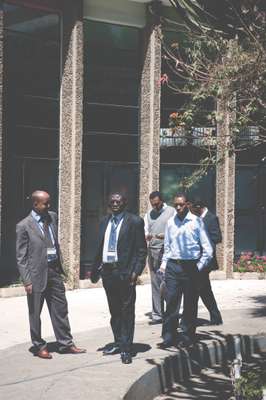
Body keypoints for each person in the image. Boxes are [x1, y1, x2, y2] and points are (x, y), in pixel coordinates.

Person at [16, 191, 86, 359]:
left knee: (60, 309)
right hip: (35, 276)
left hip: (54, 271)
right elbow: (21, 257)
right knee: (35, 313)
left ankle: (65, 343)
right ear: (35, 205)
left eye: (49, 203)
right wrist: (27, 281)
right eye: (45, 204)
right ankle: (39, 346)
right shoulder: (24, 226)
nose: (49, 206)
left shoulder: (52, 217)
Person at [90, 192, 147, 364]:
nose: (115, 204)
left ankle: (126, 349)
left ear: (125, 203)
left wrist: (136, 272)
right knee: (114, 311)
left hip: (126, 274)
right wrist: (97, 268)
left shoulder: (134, 221)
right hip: (108, 273)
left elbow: (141, 250)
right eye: (112, 201)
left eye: (118, 201)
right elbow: (100, 247)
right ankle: (118, 342)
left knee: (127, 311)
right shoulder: (104, 221)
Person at [158, 193, 213, 348]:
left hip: (191, 267)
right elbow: (167, 247)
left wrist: (198, 267)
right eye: (175, 204)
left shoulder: (196, 222)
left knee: (190, 303)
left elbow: (208, 250)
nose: (178, 207)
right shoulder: (170, 223)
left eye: (181, 204)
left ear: (187, 204)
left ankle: (187, 335)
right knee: (171, 302)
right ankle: (169, 336)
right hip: (173, 267)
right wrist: (163, 266)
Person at [190, 197, 223, 325]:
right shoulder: (197, 219)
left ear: (199, 207)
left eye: (193, 208)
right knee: (202, 290)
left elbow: (217, 238)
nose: (191, 210)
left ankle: (192, 319)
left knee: (199, 290)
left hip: (206, 260)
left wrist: (204, 241)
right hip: (197, 260)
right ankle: (215, 317)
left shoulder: (211, 218)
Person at [144, 191, 175, 324]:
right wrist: (147, 236)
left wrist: (167, 236)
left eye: (157, 204)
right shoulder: (148, 214)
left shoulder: (171, 212)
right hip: (152, 251)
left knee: (167, 283)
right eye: (152, 204)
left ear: (162, 201)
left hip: (167, 252)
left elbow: (176, 230)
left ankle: (171, 312)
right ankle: (157, 314)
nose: (155, 207)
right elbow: (145, 229)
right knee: (155, 284)